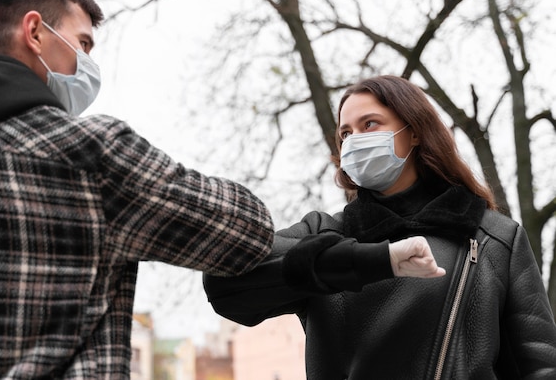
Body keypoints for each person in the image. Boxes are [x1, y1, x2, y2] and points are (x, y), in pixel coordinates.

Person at [0, 0, 277, 378]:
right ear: (35, 32)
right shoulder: (85, 153)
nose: (88, 64)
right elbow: (247, 232)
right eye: (83, 44)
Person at [204, 75, 556, 379]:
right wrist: (357, 262)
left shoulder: (494, 237)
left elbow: (540, 367)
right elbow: (226, 279)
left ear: (414, 131)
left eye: (369, 124)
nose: (354, 140)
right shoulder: (325, 235)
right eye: (346, 133)